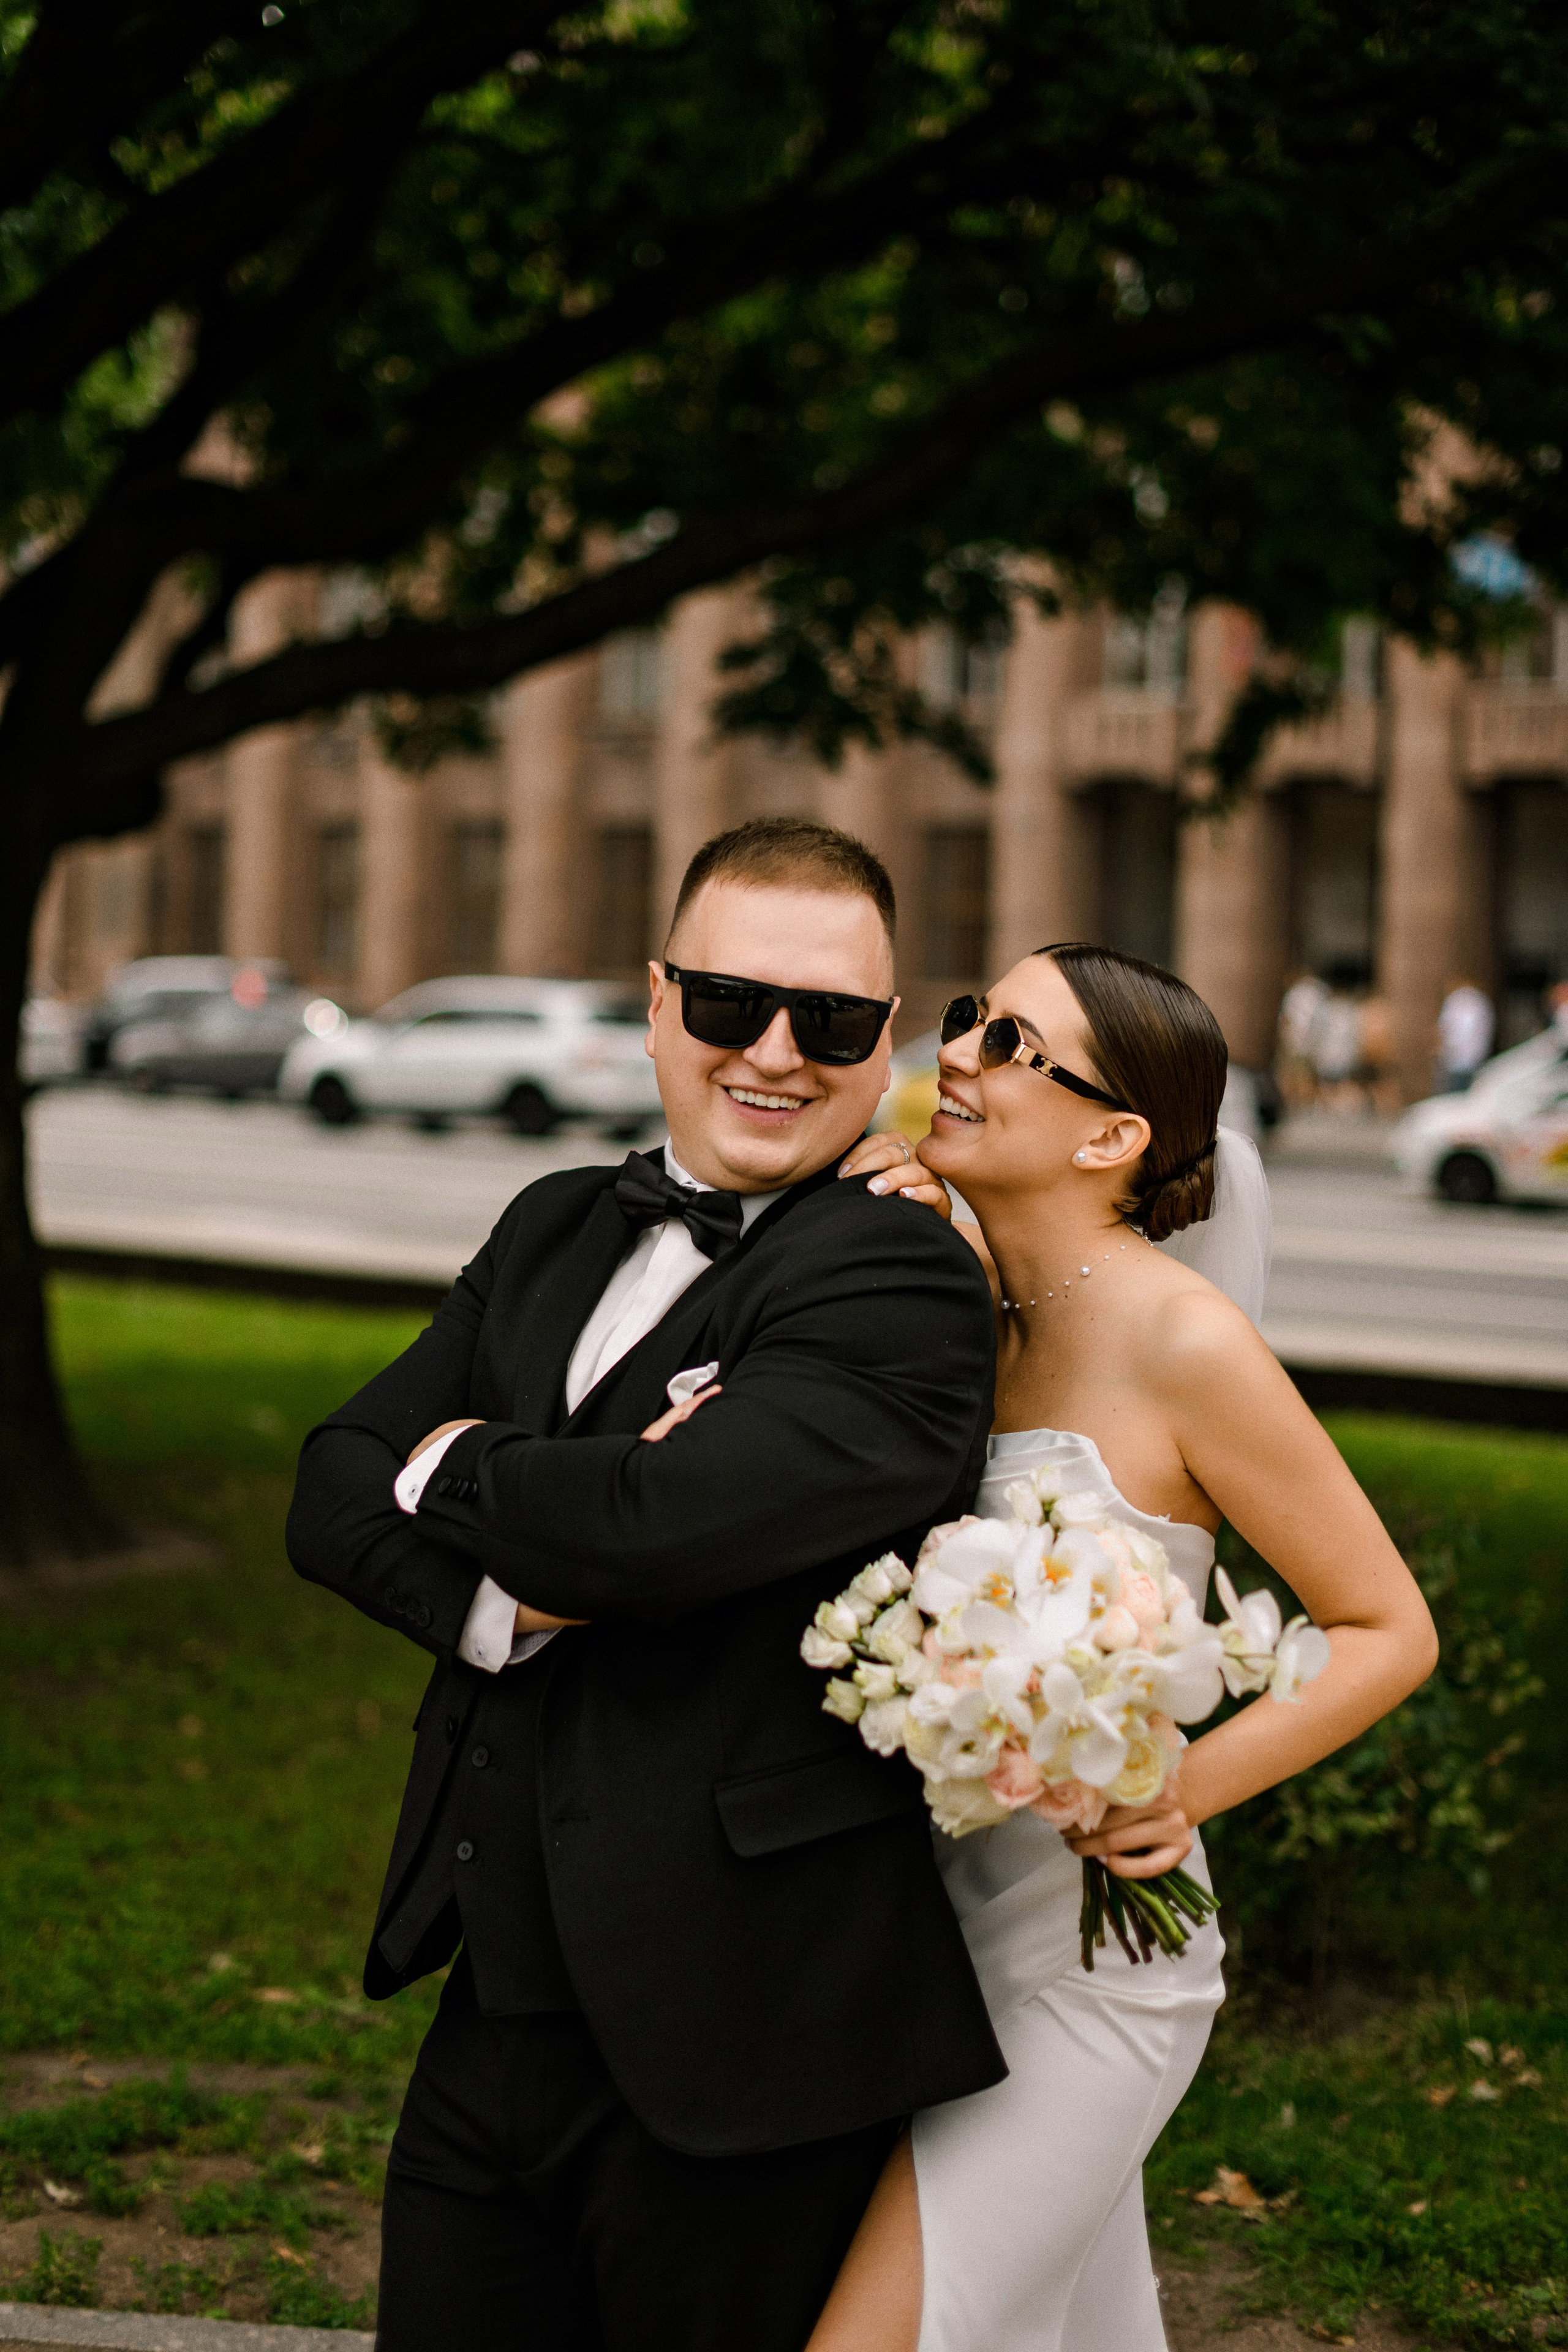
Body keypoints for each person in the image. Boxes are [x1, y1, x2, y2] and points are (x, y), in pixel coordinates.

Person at [285, 817, 1006, 2352]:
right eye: (730, 1002)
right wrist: (513, 1600)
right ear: (657, 999)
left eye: (830, 1020)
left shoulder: (901, 1272)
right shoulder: (555, 1216)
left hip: (750, 2037)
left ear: (883, 1044)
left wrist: (462, 1455)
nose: (774, 1052)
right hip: (494, 2003)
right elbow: (328, 1482)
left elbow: (651, 1528)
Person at [795, 944, 1438, 2352]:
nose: (956, 1053)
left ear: (1111, 1136)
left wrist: (1177, 1791)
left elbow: (1386, 1628)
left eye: (1011, 1044)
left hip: (1090, 1973)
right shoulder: (967, 1300)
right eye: (969, 1020)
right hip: (926, 1954)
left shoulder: (1183, 1341)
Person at [1436, 977, 1496, 1092]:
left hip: (1460, 1060)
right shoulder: (1479, 1001)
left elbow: (1454, 1032)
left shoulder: (1460, 1001)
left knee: (1457, 1096)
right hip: (1474, 1058)